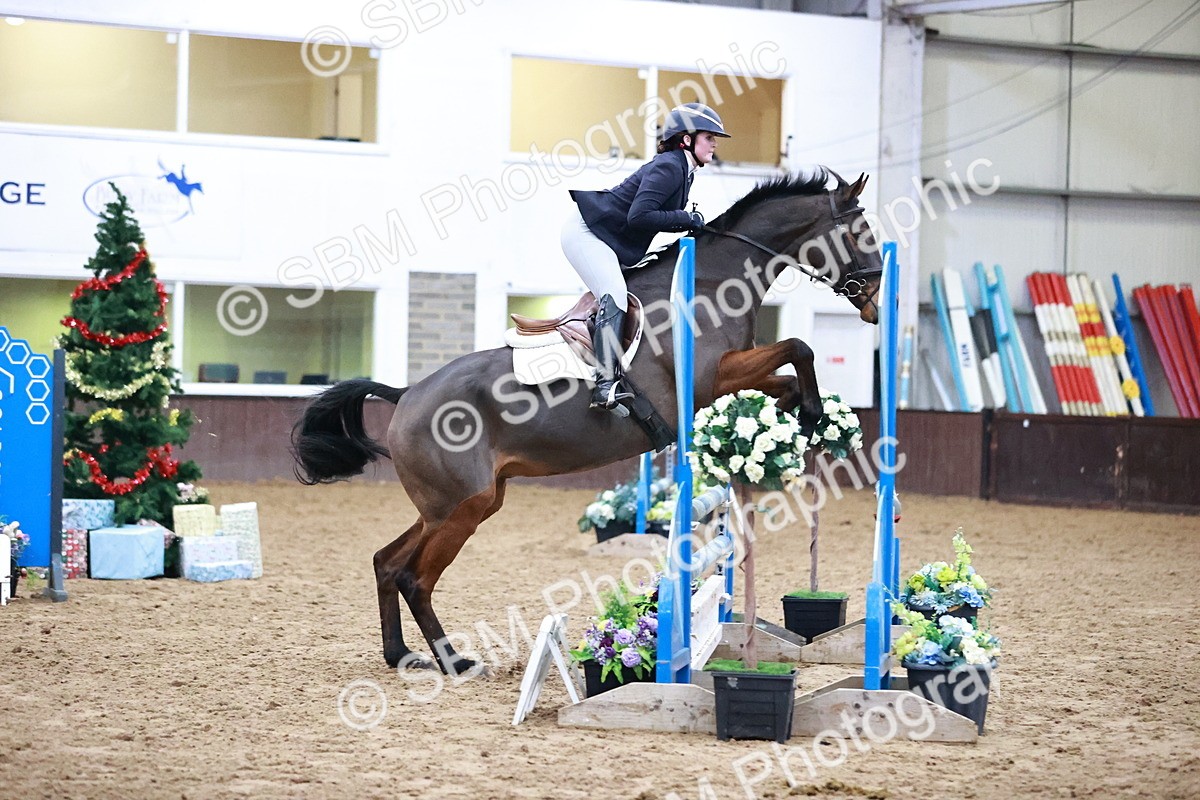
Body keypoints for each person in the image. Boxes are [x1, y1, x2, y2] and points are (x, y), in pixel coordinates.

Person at [562, 102, 731, 412]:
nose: (715, 143)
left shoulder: (684, 170)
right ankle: (604, 384)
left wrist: (687, 221)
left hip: (609, 238)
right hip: (588, 234)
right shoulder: (669, 165)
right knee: (614, 294)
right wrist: (686, 218)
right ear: (686, 140)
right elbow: (640, 216)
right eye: (709, 136)